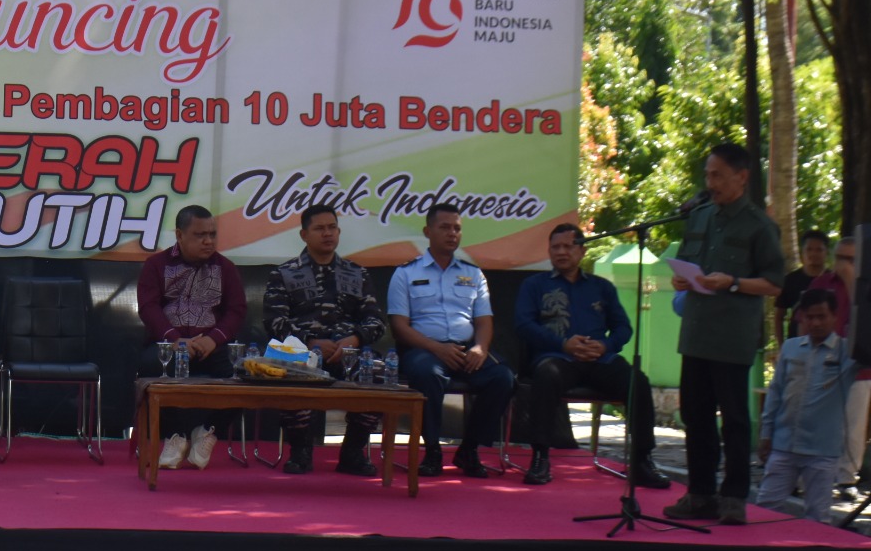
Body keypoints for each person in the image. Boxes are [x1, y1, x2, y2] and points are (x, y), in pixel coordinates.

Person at [665, 142, 784, 526]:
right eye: (707, 174)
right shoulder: (699, 217)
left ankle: (733, 496)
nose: (710, 182)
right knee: (695, 416)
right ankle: (699, 493)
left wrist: (732, 282)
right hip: (697, 333)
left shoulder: (759, 225)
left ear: (742, 177)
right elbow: (688, 262)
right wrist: (681, 279)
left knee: (733, 420)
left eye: (717, 174)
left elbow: (773, 283)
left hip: (731, 337)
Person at [513, 223, 669, 488]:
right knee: (545, 376)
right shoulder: (534, 285)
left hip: (600, 359)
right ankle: (540, 457)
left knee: (637, 382)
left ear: (582, 250)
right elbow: (523, 325)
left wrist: (605, 346)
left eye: (568, 246)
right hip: (557, 357)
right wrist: (564, 344)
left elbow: (623, 327)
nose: (561, 252)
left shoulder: (601, 287)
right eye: (555, 247)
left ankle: (642, 461)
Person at [387, 202, 514, 477]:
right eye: (445, 227)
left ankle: (469, 450)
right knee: (427, 374)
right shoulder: (406, 273)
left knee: (502, 378)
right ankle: (432, 450)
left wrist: (481, 348)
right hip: (424, 348)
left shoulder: (474, 274)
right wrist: (436, 348)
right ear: (427, 231)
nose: (452, 233)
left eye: (457, 228)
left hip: (466, 349)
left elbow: (483, 321)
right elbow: (399, 326)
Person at [263, 203, 386, 476]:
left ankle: (353, 451)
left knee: (378, 373)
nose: (327, 234)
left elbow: (376, 323)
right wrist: (310, 341)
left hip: (348, 354)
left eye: (332, 228)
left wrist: (354, 339)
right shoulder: (283, 273)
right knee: (286, 370)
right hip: (303, 353)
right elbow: (274, 322)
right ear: (304, 235)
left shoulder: (357, 273)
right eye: (319, 228)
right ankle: (301, 451)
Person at [137, 205, 247, 470]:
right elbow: (148, 307)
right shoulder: (157, 265)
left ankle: (208, 430)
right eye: (200, 235)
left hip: (211, 345)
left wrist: (214, 339)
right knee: (154, 366)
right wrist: (175, 339)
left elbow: (236, 309)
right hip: (170, 344)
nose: (208, 241)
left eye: (212, 234)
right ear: (179, 235)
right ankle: (175, 437)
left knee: (244, 377)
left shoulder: (225, 267)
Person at [755, 288, 866, 523]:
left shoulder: (848, 352)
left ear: (835, 316)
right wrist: (766, 434)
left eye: (822, 316)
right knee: (765, 509)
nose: (816, 323)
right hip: (784, 445)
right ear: (802, 317)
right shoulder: (791, 348)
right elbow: (775, 392)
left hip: (822, 452)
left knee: (817, 518)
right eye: (810, 317)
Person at [797, 235, 868, 500]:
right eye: (840, 258)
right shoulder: (822, 283)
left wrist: (852, 281)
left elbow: (863, 315)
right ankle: (809, 476)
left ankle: (846, 478)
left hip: (858, 366)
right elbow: (803, 320)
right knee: (816, 421)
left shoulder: (865, 285)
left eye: (850, 259)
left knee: (853, 424)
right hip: (822, 363)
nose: (843, 264)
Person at [775, 230, 831, 345]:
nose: (813, 254)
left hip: (829, 345)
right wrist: (782, 347)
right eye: (809, 249)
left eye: (819, 250)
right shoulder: (790, 280)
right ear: (802, 252)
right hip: (797, 345)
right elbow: (779, 317)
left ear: (827, 252)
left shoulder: (835, 280)